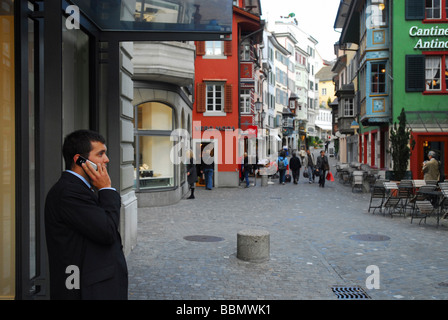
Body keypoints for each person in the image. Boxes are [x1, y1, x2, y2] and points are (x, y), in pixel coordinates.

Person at [44, 130, 128, 300]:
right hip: (85, 289)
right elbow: (107, 231)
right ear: (79, 160)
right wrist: (106, 189)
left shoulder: (80, 188)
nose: (107, 159)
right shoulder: (69, 192)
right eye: (100, 154)